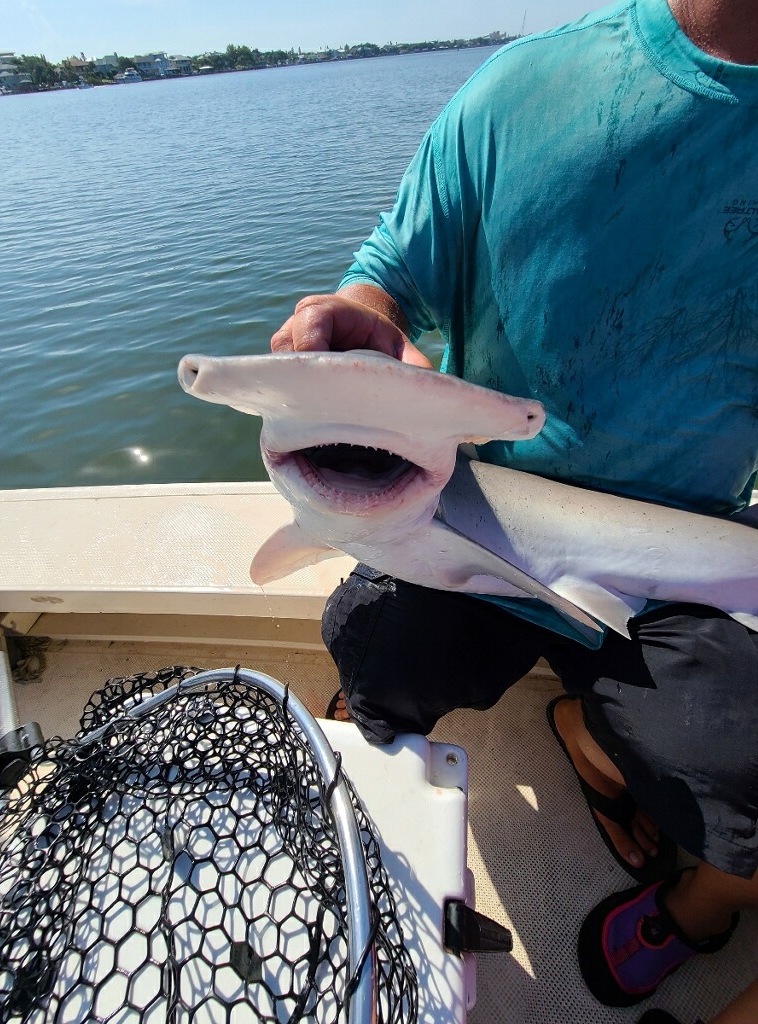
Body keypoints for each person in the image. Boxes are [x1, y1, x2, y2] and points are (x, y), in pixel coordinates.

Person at [271, 0, 758, 1011]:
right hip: (468, 512)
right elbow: (387, 278)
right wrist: (360, 325)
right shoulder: (521, 88)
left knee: (750, 773)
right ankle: (430, 767)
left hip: (670, 569)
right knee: (371, 645)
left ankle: (694, 878)